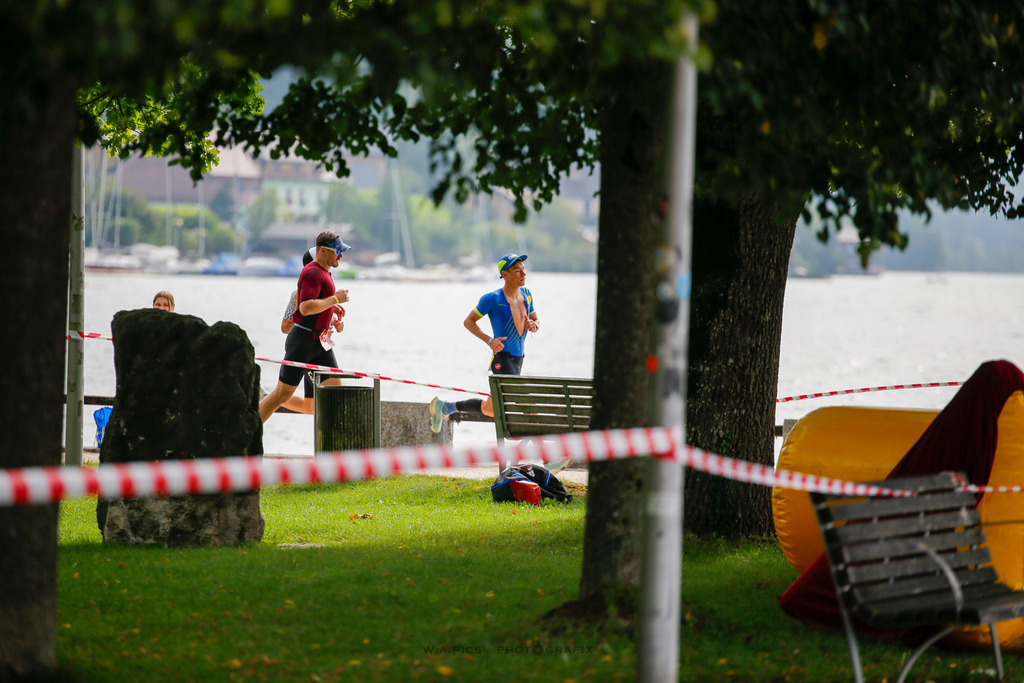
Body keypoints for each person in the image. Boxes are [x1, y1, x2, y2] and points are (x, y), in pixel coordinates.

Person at [429, 253, 538, 432]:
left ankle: (446, 408)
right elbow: (469, 322)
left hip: (519, 359)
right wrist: (489, 340)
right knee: (527, 403)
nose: (524, 274)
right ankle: (535, 446)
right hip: (502, 359)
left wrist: (534, 326)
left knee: (490, 409)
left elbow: (535, 320)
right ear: (505, 274)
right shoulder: (492, 299)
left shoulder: (527, 294)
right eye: (518, 271)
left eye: (524, 270)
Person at [260, 231, 351, 423]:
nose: (341, 255)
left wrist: (332, 315)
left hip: (320, 343)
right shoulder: (312, 273)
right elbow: (305, 308)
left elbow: (317, 305)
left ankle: (336, 443)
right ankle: (246, 430)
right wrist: (334, 300)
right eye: (337, 251)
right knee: (281, 395)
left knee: (337, 395)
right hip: (303, 342)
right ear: (323, 251)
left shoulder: (325, 273)